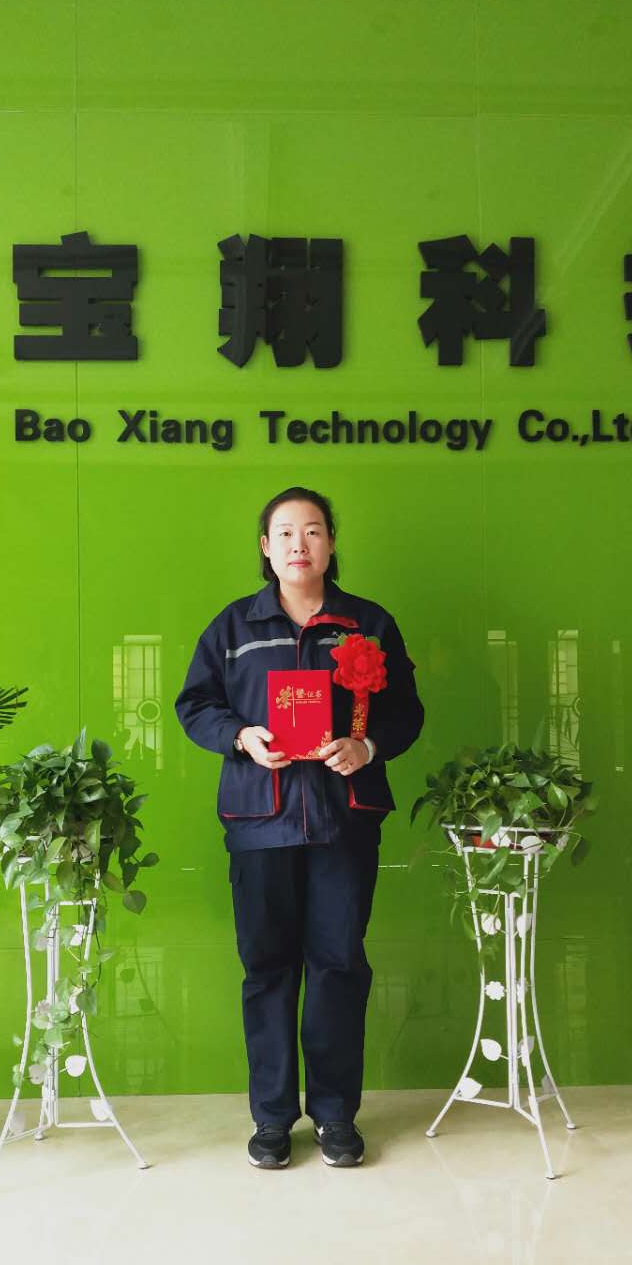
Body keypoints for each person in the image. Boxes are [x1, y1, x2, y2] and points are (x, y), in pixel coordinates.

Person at [175, 486, 424, 1169]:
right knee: (267, 969)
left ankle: (337, 1115)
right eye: (284, 533)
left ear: (331, 543)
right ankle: (273, 1117)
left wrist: (367, 747)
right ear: (265, 547)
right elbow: (195, 705)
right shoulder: (234, 628)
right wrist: (242, 737)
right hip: (260, 820)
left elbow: (406, 711)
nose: (298, 544)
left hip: (345, 819)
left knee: (339, 964)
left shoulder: (368, 624)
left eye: (312, 531)